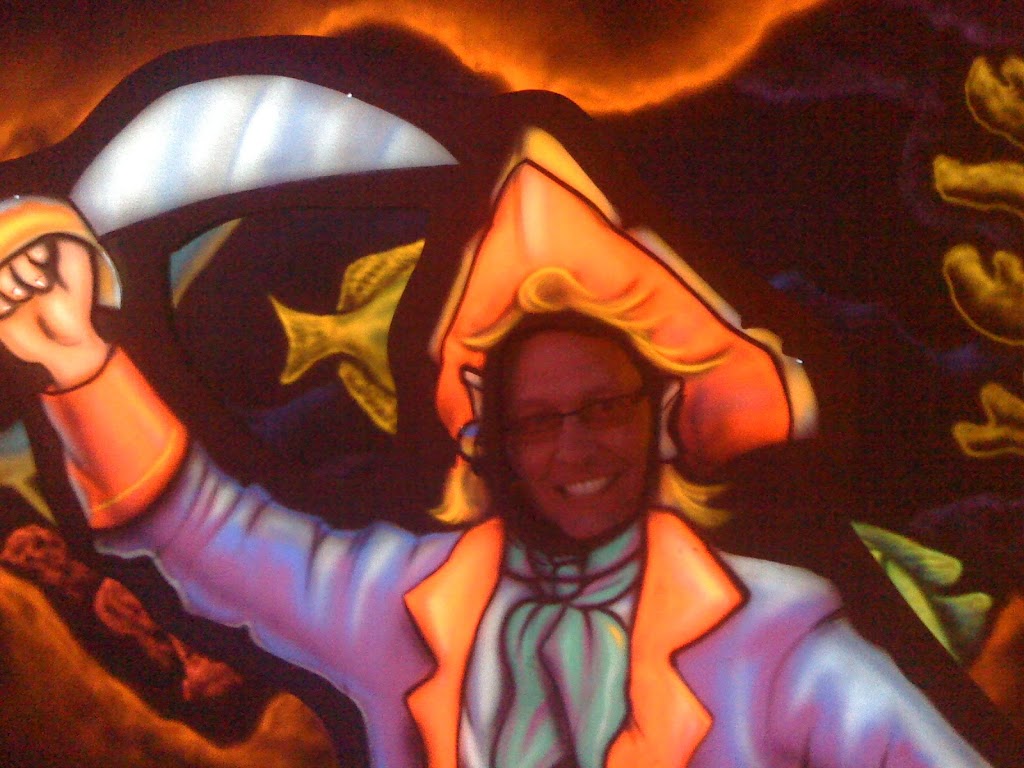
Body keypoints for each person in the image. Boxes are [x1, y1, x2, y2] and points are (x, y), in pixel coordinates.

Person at [0, 159, 996, 767]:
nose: (575, 447)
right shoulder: (403, 607)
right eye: (536, 420)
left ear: (658, 418)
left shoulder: (776, 643)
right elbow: (207, 534)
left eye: (602, 408)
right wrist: (78, 361)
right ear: (490, 438)